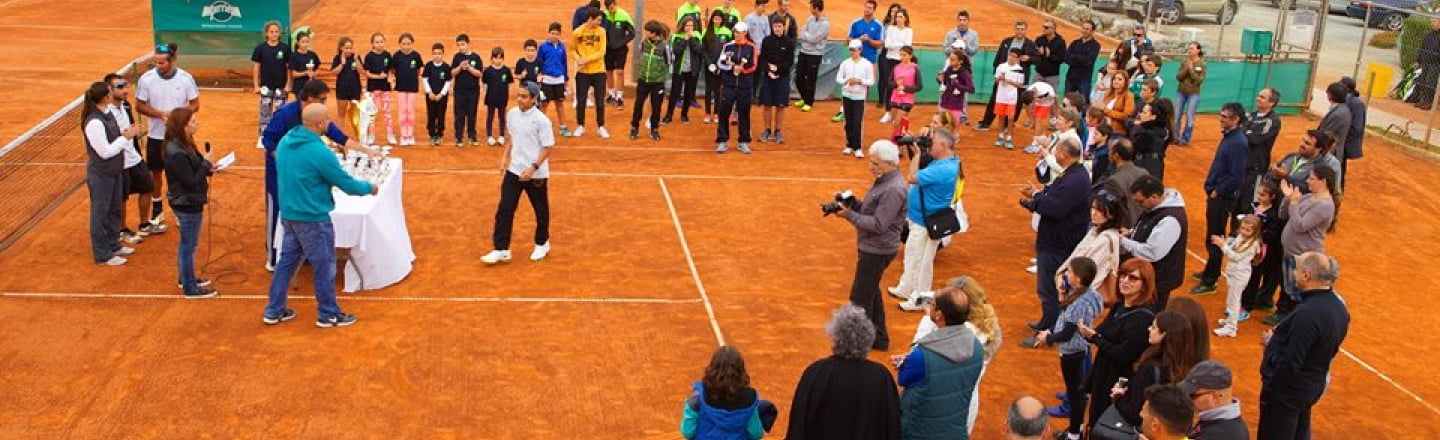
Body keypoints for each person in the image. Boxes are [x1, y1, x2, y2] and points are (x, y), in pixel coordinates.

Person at [263, 103, 378, 327]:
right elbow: (347, 185)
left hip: (289, 214)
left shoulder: (285, 142)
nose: (330, 123)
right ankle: (328, 314)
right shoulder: (319, 152)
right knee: (325, 266)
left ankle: (274, 310)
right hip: (313, 218)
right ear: (319, 124)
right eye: (327, 120)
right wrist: (370, 188)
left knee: (286, 263)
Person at [261, 80, 374, 271]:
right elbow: (268, 139)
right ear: (310, 98)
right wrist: (285, 162)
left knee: (302, 213)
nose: (324, 104)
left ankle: (301, 251)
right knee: (277, 211)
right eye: (321, 100)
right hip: (280, 175)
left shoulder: (317, 116)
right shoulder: (285, 114)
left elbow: (338, 135)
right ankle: (273, 258)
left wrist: (365, 150)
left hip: (303, 176)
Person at [1257, 251, 1348, 440]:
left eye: (1297, 269)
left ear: (1306, 276)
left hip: (1287, 393)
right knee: (1300, 432)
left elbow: (1291, 360)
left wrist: (1273, 388)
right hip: (1310, 386)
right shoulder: (1339, 308)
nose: (1293, 274)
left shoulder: (1307, 313)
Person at [785, 304, 901, 440]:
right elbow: (892, 425)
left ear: (835, 337)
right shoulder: (882, 377)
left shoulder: (816, 372)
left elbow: (799, 423)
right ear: (869, 338)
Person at [835, 140, 907, 351]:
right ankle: (880, 339)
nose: (871, 166)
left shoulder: (894, 188)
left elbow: (878, 224)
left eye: (875, 163)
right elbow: (871, 211)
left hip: (877, 250)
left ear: (889, 163)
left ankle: (856, 348)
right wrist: (854, 204)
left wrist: (849, 215)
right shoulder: (884, 180)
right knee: (871, 292)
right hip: (873, 247)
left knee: (859, 299)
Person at [1078, 258, 1159, 434]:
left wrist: (1095, 337)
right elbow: (1103, 331)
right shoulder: (1120, 305)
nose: (1124, 281)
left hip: (1118, 380)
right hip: (1103, 371)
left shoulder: (1142, 318)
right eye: (1122, 275)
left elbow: (1123, 354)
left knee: (1106, 424)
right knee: (1094, 417)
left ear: (1145, 285)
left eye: (1133, 278)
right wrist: (1091, 334)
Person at [893, 287, 983, 440]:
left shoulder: (921, 356)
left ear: (940, 315)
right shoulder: (976, 348)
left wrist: (905, 363)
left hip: (918, 433)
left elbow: (903, 380)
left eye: (932, 304)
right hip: (955, 433)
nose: (929, 307)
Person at [1020, 138, 1091, 330]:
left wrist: (1035, 199)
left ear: (1063, 155)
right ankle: (1048, 322)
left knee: (1050, 288)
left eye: (1056, 151)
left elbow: (1053, 208)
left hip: (1057, 243)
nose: (1054, 154)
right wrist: (1036, 195)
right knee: (1051, 287)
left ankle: (1049, 328)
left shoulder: (1073, 179)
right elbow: (1052, 197)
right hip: (1059, 240)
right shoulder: (1075, 174)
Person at [481, 83, 556, 264]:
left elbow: (548, 147)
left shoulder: (542, 121)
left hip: (535, 174)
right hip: (514, 170)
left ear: (533, 99)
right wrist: (504, 158)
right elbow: (512, 138)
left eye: (524, 96)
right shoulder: (512, 114)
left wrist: (533, 168)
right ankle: (501, 248)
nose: (519, 99)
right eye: (518, 95)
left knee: (540, 210)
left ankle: (541, 243)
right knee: (505, 209)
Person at [1032, 258, 1103, 440]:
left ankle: (1073, 434)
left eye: (1070, 272)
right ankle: (1075, 430)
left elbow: (1066, 334)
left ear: (1078, 279)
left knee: (1075, 394)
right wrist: (1062, 293)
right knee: (1077, 391)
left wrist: (1046, 337)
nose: (1066, 274)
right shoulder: (1091, 294)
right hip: (1082, 350)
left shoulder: (1078, 303)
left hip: (1072, 353)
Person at [135, 43, 200, 236]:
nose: (159, 65)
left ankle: (179, 210)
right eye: (156, 62)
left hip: (179, 136)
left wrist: (178, 117)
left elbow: (195, 104)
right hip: (156, 136)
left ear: (172, 60)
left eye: (162, 62)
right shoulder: (146, 79)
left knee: (180, 173)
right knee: (156, 174)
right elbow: (139, 105)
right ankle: (157, 210)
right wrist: (158, 114)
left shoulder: (186, 78)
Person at [888, 130, 958, 307]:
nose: (930, 146)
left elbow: (911, 177)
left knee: (923, 262)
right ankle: (906, 287)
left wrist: (917, 154)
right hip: (920, 218)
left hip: (927, 222)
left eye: (933, 143)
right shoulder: (945, 161)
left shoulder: (944, 168)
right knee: (912, 255)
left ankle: (919, 300)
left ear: (943, 145)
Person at [1109, 310, 1204, 427]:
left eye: (1154, 327)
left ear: (1164, 335)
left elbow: (1135, 415)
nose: (1149, 329)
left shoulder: (1149, 368)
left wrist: (1118, 398)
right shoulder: (1190, 365)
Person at [1269, 166, 1338, 325]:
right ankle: (1282, 313)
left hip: (1303, 256)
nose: (1308, 181)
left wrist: (1294, 203)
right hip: (1291, 251)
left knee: (1297, 293)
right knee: (1287, 287)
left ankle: (1289, 319)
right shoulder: (1308, 197)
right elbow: (1282, 214)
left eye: (1312, 178)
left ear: (1323, 182)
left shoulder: (1325, 206)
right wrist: (1287, 199)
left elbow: (1300, 225)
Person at [1193, 103, 1249, 294]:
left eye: (1225, 116)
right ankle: (1210, 271)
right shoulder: (1230, 138)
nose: (1221, 118)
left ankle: (1210, 281)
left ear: (1235, 119)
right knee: (1212, 235)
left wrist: (1219, 191)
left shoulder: (1238, 143)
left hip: (1222, 197)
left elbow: (1237, 176)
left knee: (1216, 237)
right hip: (1216, 193)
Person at [162, 107, 219, 298]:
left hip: (188, 200)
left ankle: (186, 277)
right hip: (186, 203)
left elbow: (195, 168)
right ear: (184, 126)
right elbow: (191, 181)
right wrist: (206, 164)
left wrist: (208, 167)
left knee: (187, 244)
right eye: (193, 121)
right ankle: (190, 287)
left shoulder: (184, 143)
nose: (197, 123)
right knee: (189, 245)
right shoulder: (176, 151)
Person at [82, 82, 140, 266]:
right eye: (110, 93)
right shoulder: (94, 122)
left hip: (115, 171)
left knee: (115, 209)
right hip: (101, 175)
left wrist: (123, 134)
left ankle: (113, 244)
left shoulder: (107, 114)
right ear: (106, 98)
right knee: (101, 214)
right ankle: (102, 254)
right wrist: (126, 138)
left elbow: (112, 140)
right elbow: (105, 151)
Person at [1122, 175, 1188, 309]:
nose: (1139, 205)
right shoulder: (1156, 208)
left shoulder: (1170, 220)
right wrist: (1131, 233)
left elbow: (1152, 253)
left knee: (1143, 318)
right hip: (1147, 278)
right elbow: (1148, 229)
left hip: (1156, 283)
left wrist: (1122, 241)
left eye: (1141, 202)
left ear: (1154, 197)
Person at [105, 73, 152, 246]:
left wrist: (134, 135)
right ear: (109, 91)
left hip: (134, 157)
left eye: (125, 85)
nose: (125, 89)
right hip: (119, 161)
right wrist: (125, 136)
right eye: (120, 87)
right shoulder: (105, 113)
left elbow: (129, 130)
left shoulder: (125, 105)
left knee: (148, 187)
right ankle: (122, 229)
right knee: (121, 198)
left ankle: (144, 224)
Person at [680, 346, 767, 440]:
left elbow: (687, 432)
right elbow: (756, 434)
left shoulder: (698, 398)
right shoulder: (750, 399)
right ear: (740, 371)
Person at [978, 21, 1038, 131]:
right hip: (1003, 75)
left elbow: (1037, 59)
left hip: (1018, 77)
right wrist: (996, 72)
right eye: (1018, 28)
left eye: (1022, 29)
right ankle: (985, 123)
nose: (1020, 31)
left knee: (1017, 102)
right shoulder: (1006, 41)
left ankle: (1008, 125)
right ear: (1014, 29)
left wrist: (1029, 58)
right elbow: (998, 57)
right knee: (994, 99)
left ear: (1026, 30)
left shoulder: (1031, 44)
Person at [832, 0, 882, 123]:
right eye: (866, 7)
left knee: (866, 85)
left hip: (870, 60)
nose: (867, 9)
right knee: (848, 82)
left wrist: (869, 40)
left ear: (874, 10)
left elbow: (880, 43)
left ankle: (860, 109)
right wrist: (858, 40)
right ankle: (843, 110)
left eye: (870, 8)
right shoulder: (855, 23)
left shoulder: (878, 25)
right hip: (854, 59)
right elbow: (847, 40)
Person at [714, 22, 760, 154]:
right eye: (735, 32)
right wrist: (731, 68)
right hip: (728, 84)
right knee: (724, 111)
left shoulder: (752, 47)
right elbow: (720, 63)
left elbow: (754, 65)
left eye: (740, 32)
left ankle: (743, 142)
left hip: (745, 86)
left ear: (745, 33)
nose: (737, 35)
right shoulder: (728, 46)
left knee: (744, 113)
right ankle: (722, 141)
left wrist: (742, 69)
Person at [1212, 215, 1261, 338]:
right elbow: (1233, 247)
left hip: (1240, 275)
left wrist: (1222, 245)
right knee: (1230, 299)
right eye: (1242, 228)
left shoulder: (1253, 244)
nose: (1244, 232)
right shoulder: (1241, 237)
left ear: (1255, 231)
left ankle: (1231, 328)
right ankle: (1230, 320)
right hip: (1232, 273)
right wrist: (1225, 242)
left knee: (1234, 301)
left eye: (1248, 230)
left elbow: (1235, 256)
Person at [1241, 180, 1285, 316]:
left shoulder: (1273, 214)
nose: (1259, 197)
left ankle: (1246, 307)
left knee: (1253, 277)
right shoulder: (1253, 206)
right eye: (1259, 194)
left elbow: (1272, 234)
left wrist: (1256, 236)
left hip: (1261, 252)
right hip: (1247, 247)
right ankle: (1240, 302)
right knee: (1243, 274)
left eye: (1263, 195)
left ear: (1272, 197)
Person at [1181, 360, 1251, 440]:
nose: (1189, 399)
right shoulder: (1222, 423)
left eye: (1193, 395)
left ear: (1214, 397)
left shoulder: (1219, 435)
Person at [1240, 88, 1283, 215]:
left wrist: (1245, 131)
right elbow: (1239, 131)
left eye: (1262, 97)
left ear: (1271, 103)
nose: (1258, 98)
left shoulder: (1272, 121)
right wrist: (1247, 132)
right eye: (1258, 95)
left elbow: (1255, 139)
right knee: (1236, 204)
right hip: (1242, 166)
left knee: (1250, 206)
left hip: (1256, 169)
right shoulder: (1249, 115)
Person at [573, 8, 611, 139]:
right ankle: (580, 126)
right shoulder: (577, 32)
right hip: (582, 72)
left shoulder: (602, 32)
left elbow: (602, 51)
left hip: (599, 71)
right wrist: (578, 59)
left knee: (600, 101)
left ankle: (601, 126)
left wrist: (586, 59)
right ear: (590, 19)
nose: (600, 22)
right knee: (581, 100)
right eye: (598, 20)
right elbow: (573, 49)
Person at [251, 21, 290, 148]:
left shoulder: (284, 48)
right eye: (271, 32)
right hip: (265, 87)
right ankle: (263, 137)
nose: (274, 34)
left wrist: (288, 84)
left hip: (281, 87)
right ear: (266, 33)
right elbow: (257, 67)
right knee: (265, 112)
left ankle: (280, 137)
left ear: (279, 33)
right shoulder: (260, 48)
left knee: (280, 112)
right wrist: (256, 85)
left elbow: (289, 68)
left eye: (276, 32)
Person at [631, 20, 672, 141]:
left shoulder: (665, 47)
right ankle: (634, 127)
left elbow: (669, 62)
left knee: (656, 107)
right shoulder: (644, 43)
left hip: (657, 83)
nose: (645, 33)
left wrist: (659, 74)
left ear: (654, 33)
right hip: (643, 80)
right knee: (638, 105)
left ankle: (654, 129)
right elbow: (641, 53)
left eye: (647, 31)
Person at [758, 16, 795, 144]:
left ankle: (778, 131)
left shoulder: (789, 42)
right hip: (768, 77)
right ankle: (767, 130)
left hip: (782, 77)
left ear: (784, 27)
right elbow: (762, 59)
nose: (777, 29)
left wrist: (778, 69)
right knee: (767, 105)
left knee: (780, 106)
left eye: (779, 26)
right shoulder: (766, 41)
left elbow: (790, 62)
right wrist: (769, 71)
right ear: (772, 27)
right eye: (775, 26)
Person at [836, 40, 875, 158]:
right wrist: (846, 81)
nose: (852, 52)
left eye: (854, 50)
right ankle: (849, 145)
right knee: (848, 122)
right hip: (847, 96)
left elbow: (871, 81)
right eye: (851, 50)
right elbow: (838, 78)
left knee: (857, 122)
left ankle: (857, 147)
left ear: (860, 50)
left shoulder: (867, 64)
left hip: (859, 97)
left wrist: (859, 81)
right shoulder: (845, 63)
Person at [665, 17, 704, 125]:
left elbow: (699, 50)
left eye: (691, 26)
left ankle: (684, 115)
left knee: (688, 93)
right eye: (687, 25)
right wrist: (685, 39)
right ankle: (669, 115)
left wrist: (690, 39)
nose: (689, 28)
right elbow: (677, 51)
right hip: (679, 69)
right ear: (683, 26)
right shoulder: (676, 37)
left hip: (692, 70)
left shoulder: (697, 36)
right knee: (674, 92)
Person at [792, 0, 828, 112]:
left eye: (811, 7)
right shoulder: (809, 19)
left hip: (815, 55)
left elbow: (814, 39)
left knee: (810, 79)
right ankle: (804, 97)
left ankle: (809, 102)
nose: (810, 9)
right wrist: (808, 36)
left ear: (816, 8)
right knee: (798, 78)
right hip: (804, 52)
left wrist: (807, 36)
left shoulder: (825, 24)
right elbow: (802, 32)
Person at [536, 24, 572, 136]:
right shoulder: (543, 47)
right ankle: (540, 128)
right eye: (552, 33)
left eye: (556, 34)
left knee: (559, 104)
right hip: (547, 79)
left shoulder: (562, 47)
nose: (554, 36)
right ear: (548, 33)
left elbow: (564, 63)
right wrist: (539, 76)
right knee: (544, 104)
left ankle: (563, 127)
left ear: (560, 35)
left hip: (559, 80)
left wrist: (565, 78)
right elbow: (539, 62)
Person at [1102, 139, 1149, 227]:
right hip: (1141, 226)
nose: (1109, 154)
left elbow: (1111, 211)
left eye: (1110, 151)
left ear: (1116, 155)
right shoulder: (1144, 172)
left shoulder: (1113, 181)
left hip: (1123, 229)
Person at [878, 9, 913, 120]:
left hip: (902, 62)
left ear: (905, 19)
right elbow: (887, 45)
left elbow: (907, 46)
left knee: (901, 86)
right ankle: (888, 112)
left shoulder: (909, 31)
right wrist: (900, 45)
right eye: (897, 16)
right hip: (891, 60)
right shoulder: (891, 29)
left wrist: (896, 45)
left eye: (901, 17)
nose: (898, 19)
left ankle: (899, 111)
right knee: (890, 86)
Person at [361, 33, 396, 145]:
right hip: (373, 88)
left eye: (381, 41)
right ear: (372, 44)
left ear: (384, 42)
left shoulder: (387, 55)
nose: (379, 44)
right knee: (372, 113)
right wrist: (378, 77)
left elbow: (390, 70)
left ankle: (390, 134)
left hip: (385, 88)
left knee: (387, 112)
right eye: (377, 42)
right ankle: (371, 135)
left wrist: (391, 78)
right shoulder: (369, 56)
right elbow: (367, 73)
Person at [602, 0, 636, 110]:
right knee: (609, 71)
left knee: (620, 72)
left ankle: (620, 97)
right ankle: (611, 95)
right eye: (609, 8)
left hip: (620, 49)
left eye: (612, 7)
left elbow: (632, 33)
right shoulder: (604, 16)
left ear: (615, 5)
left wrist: (622, 42)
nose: (611, 10)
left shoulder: (624, 15)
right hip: (608, 49)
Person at [450, 34, 483, 146]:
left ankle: (472, 136)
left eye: (463, 44)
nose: (461, 47)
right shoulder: (456, 57)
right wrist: (460, 67)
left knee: (471, 114)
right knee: (459, 114)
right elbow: (452, 73)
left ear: (468, 44)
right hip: (459, 91)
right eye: (458, 45)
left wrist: (469, 68)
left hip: (473, 91)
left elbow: (479, 74)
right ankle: (459, 137)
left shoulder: (476, 58)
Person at [391, 33, 423, 146]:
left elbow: (418, 70)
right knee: (403, 111)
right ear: (400, 44)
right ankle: (404, 135)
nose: (406, 46)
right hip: (400, 87)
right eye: (404, 44)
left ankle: (410, 134)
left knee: (410, 110)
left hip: (413, 87)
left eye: (408, 44)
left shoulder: (416, 55)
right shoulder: (396, 56)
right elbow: (394, 70)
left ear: (412, 44)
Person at [1131, 98, 1173, 182]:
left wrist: (1137, 127)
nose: (1140, 114)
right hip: (1157, 168)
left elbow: (1133, 151)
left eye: (1144, 112)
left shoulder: (1147, 134)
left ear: (1153, 116)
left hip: (1144, 171)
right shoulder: (1166, 130)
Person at [991, 49, 1026, 149]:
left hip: (1012, 97)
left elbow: (1019, 85)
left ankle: (1009, 137)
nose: (1011, 57)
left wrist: (1008, 81)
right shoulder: (1001, 66)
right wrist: (999, 79)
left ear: (1018, 58)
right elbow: (996, 81)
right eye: (1010, 55)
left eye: (1014, 56)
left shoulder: (1019, 69)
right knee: (1001, 116)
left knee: (1010, 118)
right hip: (1001, 96)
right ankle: (1000, 136)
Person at [1174, 42, 1207, 146]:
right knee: (1176, 115)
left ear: (1198, 50)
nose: (1189, 50)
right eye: (1189, 48)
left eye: (1192, 48)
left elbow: (1199, 81)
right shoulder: (1184, 62)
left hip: (1194, 94)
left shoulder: (1202, 64)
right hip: (1181, 92)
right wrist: (1186, 69)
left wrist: (1191, 70)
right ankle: (1175, 137)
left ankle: (1185, 139)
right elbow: (1178, 77)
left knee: (1190, 117)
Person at [884, 46, 921, 136]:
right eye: (901, 55)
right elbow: (889, 82)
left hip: (907, 100)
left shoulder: (915, 68)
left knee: (897, 123)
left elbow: (919, 87)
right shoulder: (896, 67)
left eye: (904, 55)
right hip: (895, 99)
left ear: (910, 56)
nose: (902, 57)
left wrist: (905, 88)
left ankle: (896, 143)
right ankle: (903, 140)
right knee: (896, 123)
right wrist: (896, 85)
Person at [482, 47, 515, 146]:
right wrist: (487, 94)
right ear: (492, 58)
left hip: (502, 98)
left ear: (503, 59)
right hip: (491, 98)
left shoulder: (506, 70)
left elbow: (508, 83)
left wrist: (504, 93)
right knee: (490, 117)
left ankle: (501, 136)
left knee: (502, 117)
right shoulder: (488, 71)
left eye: (500, 58)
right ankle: (489, 136)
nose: (498, 60)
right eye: (496, 58)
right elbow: (484, 84)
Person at [331, 36, 363, 136]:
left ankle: (359, 136)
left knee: (357, 114)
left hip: (355, 88)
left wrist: (356, 60)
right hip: (342, 89)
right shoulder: (337, 58)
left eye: (350, 48)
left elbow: (361, 71)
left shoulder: (356, 57)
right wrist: (342, 64)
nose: (349, 50)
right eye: (346, 48)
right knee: (341, 114)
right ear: (341, 48)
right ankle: (339, 136)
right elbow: (334, 72)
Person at [1338, 76, 1366, 190]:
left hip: (1344, 143)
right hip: (1340, 142)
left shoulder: (1357, 104)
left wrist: (1343, 140)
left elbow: (1357, 128)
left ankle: (1338, 194)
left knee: (1339, 169)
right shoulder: (1345, 101)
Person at [1064, 19, 1100, 104]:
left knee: (1084, 103)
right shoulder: (1074, 43)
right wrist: (1081, 59)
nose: (1084, 31)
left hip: (1084, 79)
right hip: (1070, 78)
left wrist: (1074, 57)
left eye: (1087, 29)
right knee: (1067, 101)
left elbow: (1089, 61)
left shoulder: (1095, 45)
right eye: (1083, 28)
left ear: (1093, 31)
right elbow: (1066, 58)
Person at [422, 42, 451, 146]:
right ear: (432, 54)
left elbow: (448, 82)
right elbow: (425, 79)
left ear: (443, 54)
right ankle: (432, 135)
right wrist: (429, 92)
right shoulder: (429, 66)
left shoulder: (446, 67)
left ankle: (439, 134)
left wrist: (441, 94)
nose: (437, 55)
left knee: (440, 115)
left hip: (441, 97)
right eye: (435, 53)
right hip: (430, 96)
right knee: (431, 115)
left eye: (439, 53)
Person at [938, 48, 975, 126]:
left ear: (960, 61)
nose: (950, 62)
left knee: (952, 129)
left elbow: (971, 89)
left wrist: (957, 85)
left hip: (955, 106)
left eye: (953, 60)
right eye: (950, 59)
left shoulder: (964, 73)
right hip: (944, 103)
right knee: (941, 127)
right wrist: (940, 80)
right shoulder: (948, 69)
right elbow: (945, 83)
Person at [1317, 82, 1352, 162]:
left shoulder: (1338, 114)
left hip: (1330, 153)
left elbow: (1326, 135)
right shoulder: (1343, 109)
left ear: (1330, 95)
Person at [1413, 17, 1440, 110]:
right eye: (1432, 21)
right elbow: (1422, 48)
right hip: (1425, 62)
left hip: (1435, 64)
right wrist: (1418, 60)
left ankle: (1428, 102)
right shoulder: (1429, 35)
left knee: (1430, 82)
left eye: (1435, 21)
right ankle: (1422, 100)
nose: (1432, 23)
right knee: (1423, 80)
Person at [288, 30, 322, 100]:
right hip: (299, 86)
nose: (305, 44)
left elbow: (318, 68)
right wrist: (306, 73)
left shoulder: (312, 55)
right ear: (297, 43)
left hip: (312, 86)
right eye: (303, 42)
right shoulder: (294, 55)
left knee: (311, 106)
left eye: (307, 42)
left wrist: (314, 73)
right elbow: (293, 74)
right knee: (301, 106)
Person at [1033, 19, 1066, 91]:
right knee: (1034, 95)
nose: (1044, 29)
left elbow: (1061, 59)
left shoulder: (1060, 42)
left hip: (1052, 76)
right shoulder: (1039, 39)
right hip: (1039, 73)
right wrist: (1038, 53)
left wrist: (1050, 56)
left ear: (1053, 29)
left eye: (1046, 27)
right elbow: (1034, 54)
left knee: (1050, 98)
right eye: (1044, 27)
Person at [1100, 70, 1134, 137]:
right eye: (1114, 79)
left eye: (1120, 79)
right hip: (1104, 130)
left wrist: (1106, 110)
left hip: (1117, 132)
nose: (1116, 81)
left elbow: (1126, 116)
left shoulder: (1128, 96)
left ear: (1125, 82)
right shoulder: (1107, 94)